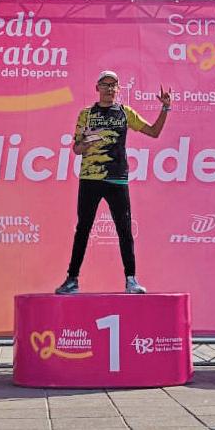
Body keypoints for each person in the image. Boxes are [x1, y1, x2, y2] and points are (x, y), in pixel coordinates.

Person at [55, 70, 171, 295]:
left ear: (118, 89)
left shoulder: (125, 113)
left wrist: (165, 108)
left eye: (113, 85)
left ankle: (131, 280)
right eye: (105, 84)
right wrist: (87, 142)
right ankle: (72, 279)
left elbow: (154, 132)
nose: (109, 88)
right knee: (83, 228)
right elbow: (77, 149)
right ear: (97, 88)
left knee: (124, 229)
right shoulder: (86, 114)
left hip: (117, 178)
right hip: (91, 178)